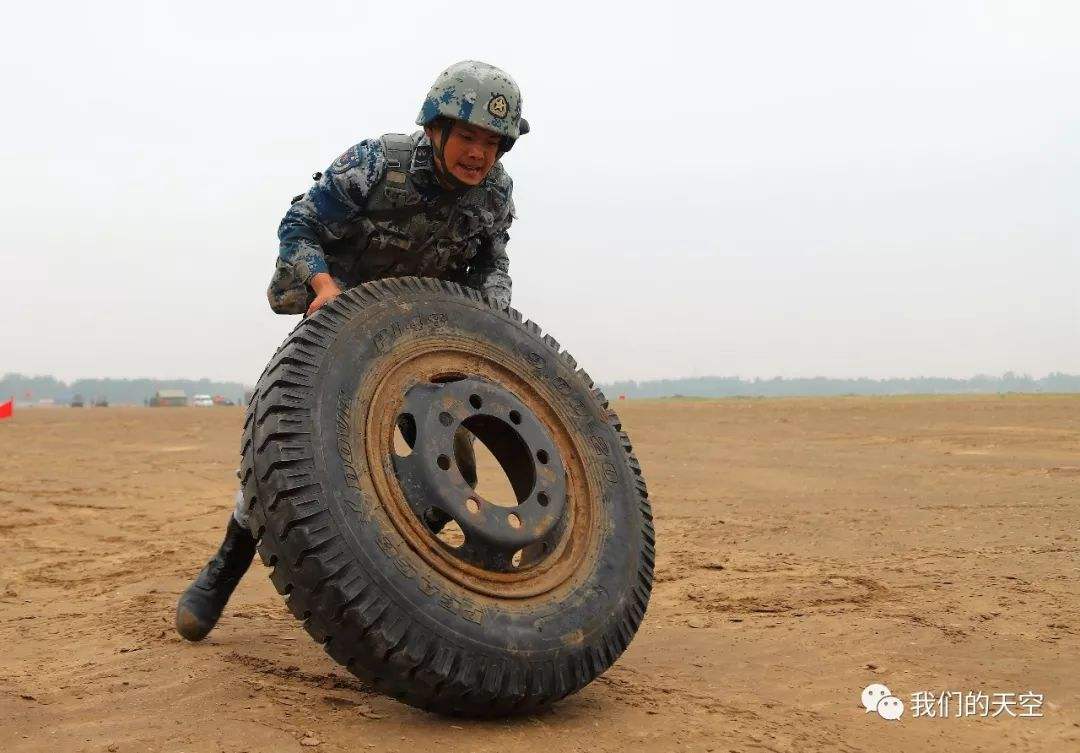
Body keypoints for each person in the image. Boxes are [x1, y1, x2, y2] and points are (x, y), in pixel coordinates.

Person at [175, 60, 528, 642]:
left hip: (423, 342)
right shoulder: (377, 164)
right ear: (435, 128)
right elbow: (299, 225)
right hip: (341, 329)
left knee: (451, 468)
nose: (478, 154)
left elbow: (493, 262)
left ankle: (390, 570)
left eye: (492, 143)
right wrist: (324, 288)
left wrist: (493, 325)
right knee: (288, 457)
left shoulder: (495, 194)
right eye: (467, 136)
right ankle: (225, 567)